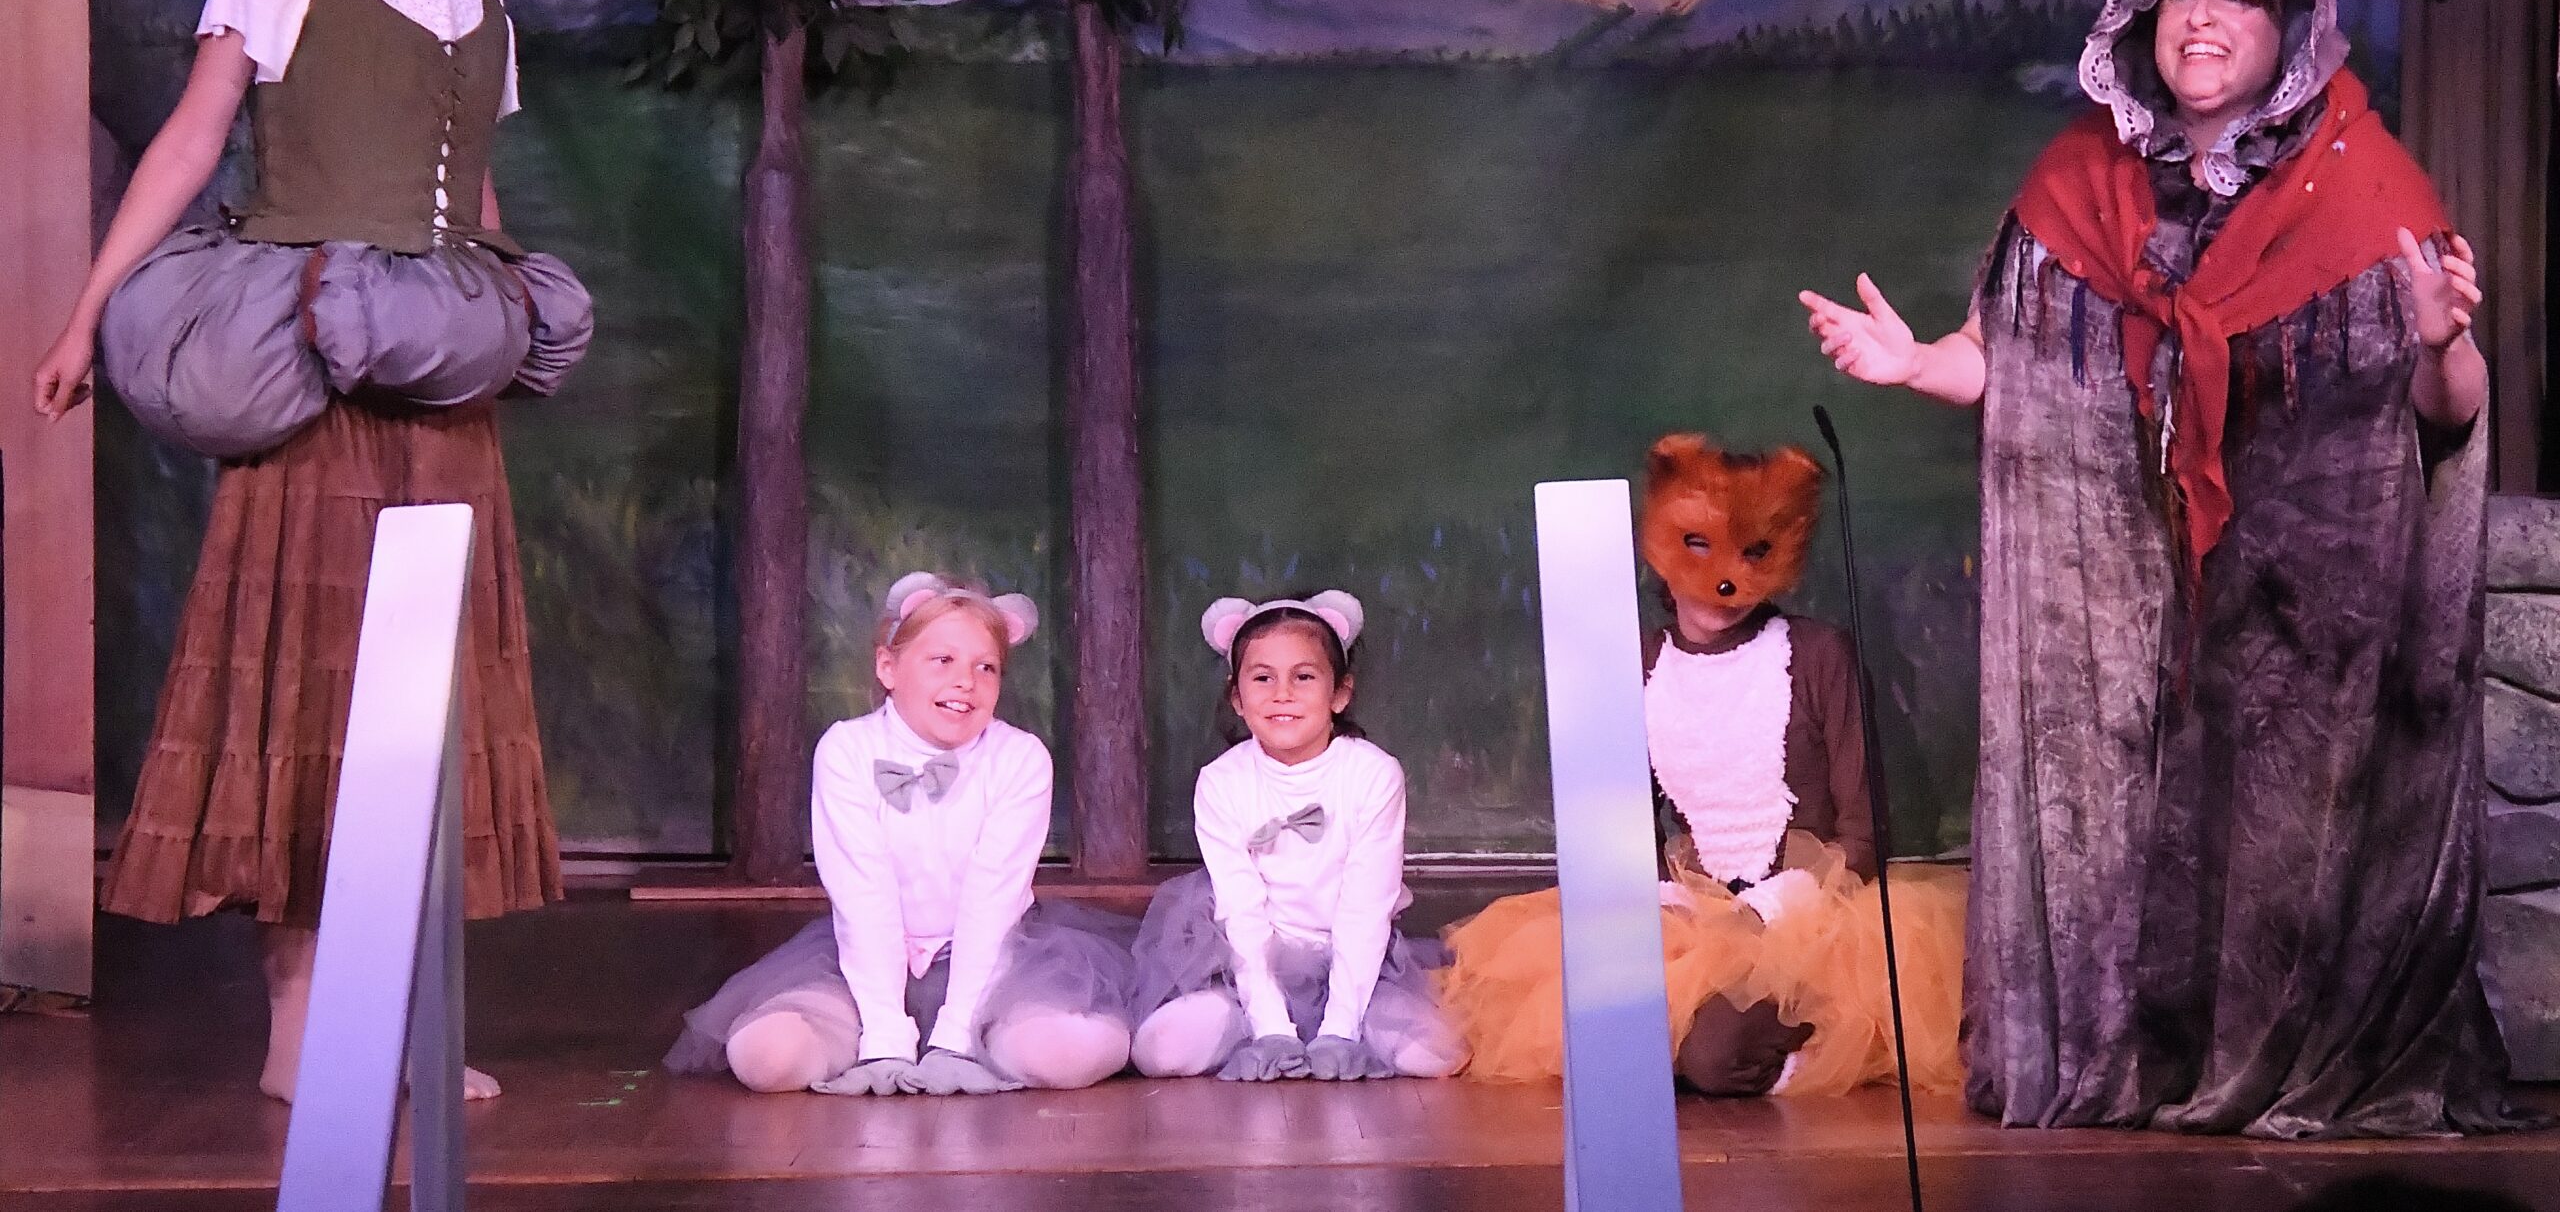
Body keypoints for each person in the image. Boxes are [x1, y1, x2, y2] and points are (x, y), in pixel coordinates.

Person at [1801, 0, 2537, 1136]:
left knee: (2274, 829)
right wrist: (1919, 363)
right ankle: (2133, 1053)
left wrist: (2439, 343)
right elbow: (2016, 369)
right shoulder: (2084, 180)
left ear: (2290, 25)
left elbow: (2444, 423)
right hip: (2132, 611)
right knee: (2130, 822)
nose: (2200, 19)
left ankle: (2272, 1054)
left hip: (2300, 615)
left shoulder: (2365, 189)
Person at [32, 0, 589, 1103]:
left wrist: (509, 322)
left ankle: (397, 1023)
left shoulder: (481, 3)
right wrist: (89, 316)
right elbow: (189, 140)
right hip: (311, 385)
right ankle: (300, 1036)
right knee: (312, 696)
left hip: (437, 403)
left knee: (426, 705)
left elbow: (475, 199)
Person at [1437, 434, 1964, 1096]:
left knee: (1714, 1058)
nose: (1724, 581)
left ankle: (1832, 1044)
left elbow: (1864, 828)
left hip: (1810, 919)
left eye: (1752, 553)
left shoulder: (1817, 654)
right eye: (1700, 547)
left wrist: (1772, 908)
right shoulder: (1642, 662)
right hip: (1695, 911)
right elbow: (1624, 820)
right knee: (1616, 1043)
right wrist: (1670, 899)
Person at [666, 573, 1138, 1095]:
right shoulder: (848, 749)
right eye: (943, 660)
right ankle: (862, 1034)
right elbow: (862, 895)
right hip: (864, 958)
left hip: (997, 957)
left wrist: (956, 1037)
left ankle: (990, 1039)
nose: (966, 681)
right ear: (888, 668)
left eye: (986, 667)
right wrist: (885, 1036)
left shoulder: (1019, 758)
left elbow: (992, 901)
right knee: (766, 1059)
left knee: (1068, 1056)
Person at [1127, 593, 1467, 1081]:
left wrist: (1341, 1029)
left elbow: (1365, 908)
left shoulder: (1372, 774)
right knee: (1160, 1054)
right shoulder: (1222, 782)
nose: (1282, 694)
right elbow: (1241, 913)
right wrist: (1271, 1027)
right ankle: (1250, 1025)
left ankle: (1347, 1026)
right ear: (1237, 699)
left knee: (1436, 1056)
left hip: (1355, 958)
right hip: (1249, 960)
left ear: (1340, 694)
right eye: (1262, 678)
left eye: (1303, 677)